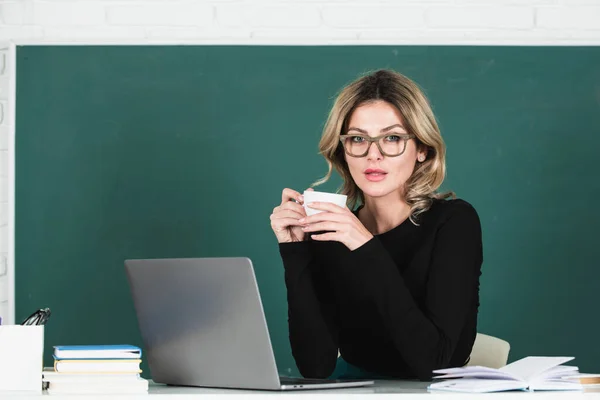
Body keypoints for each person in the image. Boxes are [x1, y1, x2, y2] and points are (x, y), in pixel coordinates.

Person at [269, 69, 483, 381]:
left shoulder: (454, 222)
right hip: (356, 389)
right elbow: (315, 366)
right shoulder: (334, 229)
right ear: (344, 150)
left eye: (392, 138)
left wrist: (364, 245)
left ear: (422, 149)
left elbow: (433, 363)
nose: (374, 154)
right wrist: (295, 251)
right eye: (358, 139)